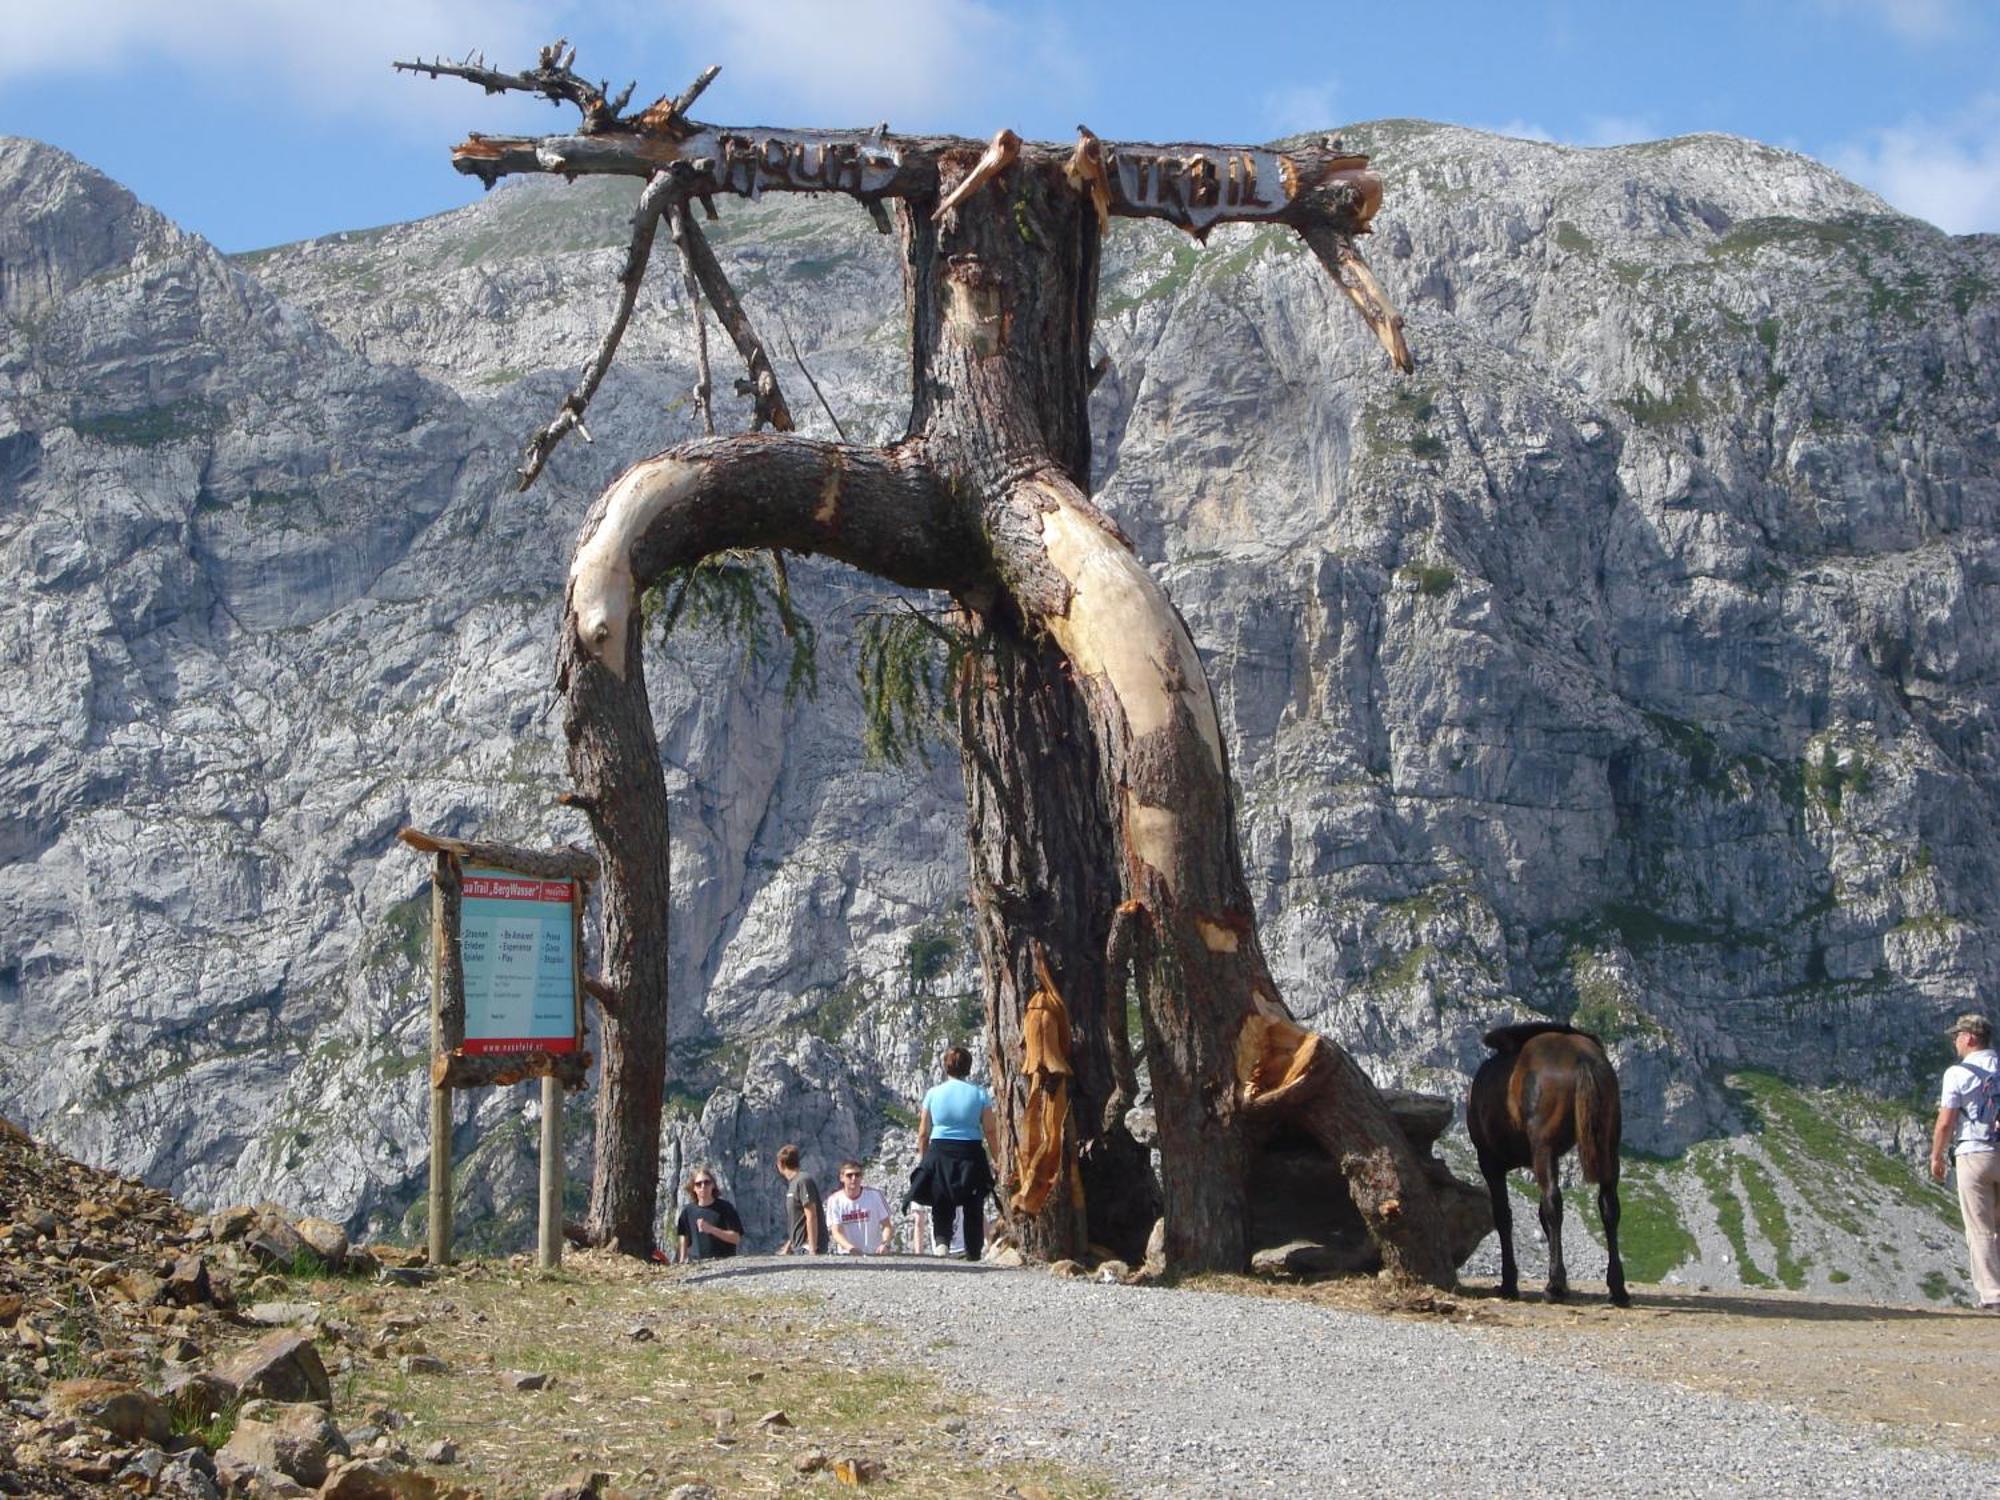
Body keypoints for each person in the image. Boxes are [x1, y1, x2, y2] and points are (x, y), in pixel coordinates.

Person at [1931, 1013, 2000, 1310]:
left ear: (1970, 1038)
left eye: (1957, 1036)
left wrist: (1937, 1156)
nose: (1955, 1042)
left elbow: (1946, 1121)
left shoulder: (1957, 1073)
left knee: (1980, 1227)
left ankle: (1992, 1295)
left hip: (1974, 1152)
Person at [908, 1044, 999, 1263]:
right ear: (968, 1067)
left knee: (941, 1198)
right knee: (973, 1202)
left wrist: (924, 1160)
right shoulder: (979, 1094)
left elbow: (923, 1132)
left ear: (945, 1067)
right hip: (970, 1151)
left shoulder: (932, 1094)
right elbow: (989, 1130)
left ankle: (941, 1244)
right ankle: (974, 1250)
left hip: (940, 1150)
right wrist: (997, 1158)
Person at [673, 1167, 744, 1263]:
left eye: (707, 1182)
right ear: (693, 1188)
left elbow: (736, 1238)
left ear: (713, 1185)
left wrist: (711, 1229)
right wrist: (682, 1260)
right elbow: (683, 1237)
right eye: (698, 1184)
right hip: (695, 1264)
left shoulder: (726, 1208)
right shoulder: (687, 1212)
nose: (703, 1186)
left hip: (724, 1262)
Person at [825, 1161, 894, 1254]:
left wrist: (885, 1244)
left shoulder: (875, 1195)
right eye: (849, 1175)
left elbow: (887, 1225)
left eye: (857, 1175)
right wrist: (850, 1248)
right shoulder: (834, 1200)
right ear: (842, 1178)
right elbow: (836, 1231)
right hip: (847, 1254)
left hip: (875, 1253)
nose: (854, 1178)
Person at [775, 1143, 825, 1255]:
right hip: (798, 1247)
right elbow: (798, 1221)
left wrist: (812, 1250)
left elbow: (811, 1215)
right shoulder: (793, 1183)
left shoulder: (803, 1181)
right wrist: (788, 1246)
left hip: (807, 1248)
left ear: (780, 1164)